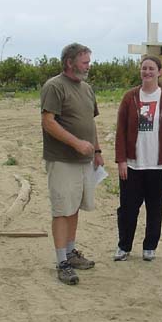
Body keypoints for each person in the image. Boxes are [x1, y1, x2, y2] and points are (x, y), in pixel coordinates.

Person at [41, 43, 103, 285]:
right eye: (85, 61)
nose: (89, 65)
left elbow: (90, 122)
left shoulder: (86, 89)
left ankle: (70, 252)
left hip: (84, 161)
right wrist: (77, 143)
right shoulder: (54, 86)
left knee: (74, 207)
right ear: (69, 62)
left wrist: (96, 150)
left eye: (89, 61)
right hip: (63, 160)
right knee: (61, 210)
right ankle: (62, 262)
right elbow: (48, 122)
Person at [114, 55, 162, 262]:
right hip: (133, 165)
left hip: (158, 165)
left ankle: (149, 247)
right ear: (140, 71)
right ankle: (124, 246)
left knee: (154, 209)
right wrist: (122, 160)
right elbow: (121, 131)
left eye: (151, 68)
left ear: (159, 72)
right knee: (127, 209)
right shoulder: (130, 97)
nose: (147, 72)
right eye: (144, 68)